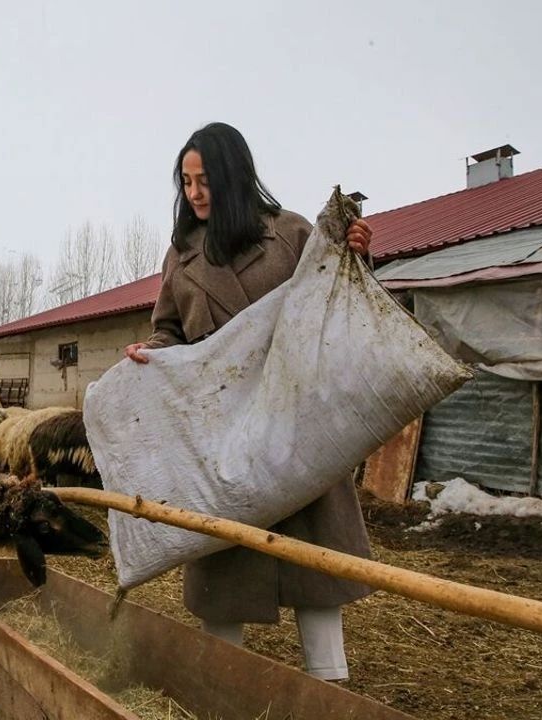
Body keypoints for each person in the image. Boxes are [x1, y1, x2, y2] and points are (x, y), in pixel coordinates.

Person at [123, 122, 374, 682]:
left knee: (316, 568)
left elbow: (337, 299)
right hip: (225, 439)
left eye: (204, 179)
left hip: (299, 426)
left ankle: (330, 687)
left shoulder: (290, 234)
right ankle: (221, 689)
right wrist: (152, 351)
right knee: (224, 568)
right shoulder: (182, 255)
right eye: (186, 182)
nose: (194, 193)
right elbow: (170, 330)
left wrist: (358, 257)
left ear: (233, 174)